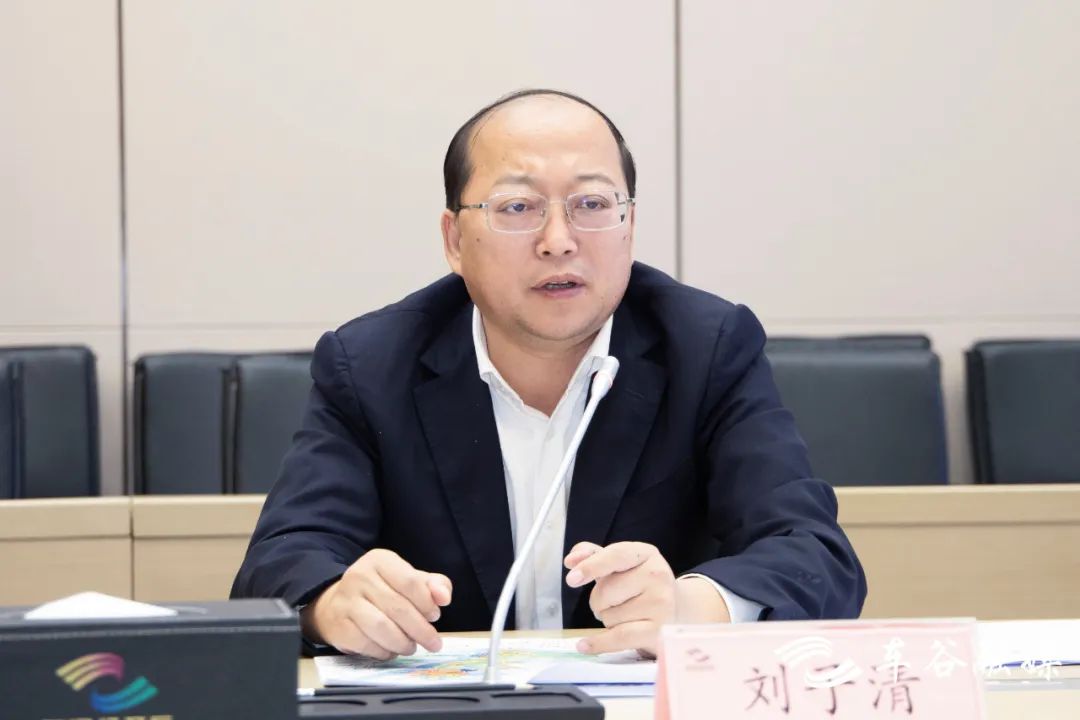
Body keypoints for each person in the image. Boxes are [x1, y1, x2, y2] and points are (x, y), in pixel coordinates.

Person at [231, 88, 866, 660]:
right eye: (517, 207)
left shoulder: (706, 348)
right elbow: (280, 564)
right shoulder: (371, 365)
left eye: (592, 204)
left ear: (629, 226)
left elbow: (814, 553)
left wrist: (691, 606)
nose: (559, 240)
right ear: (454, 240)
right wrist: (334, 602)